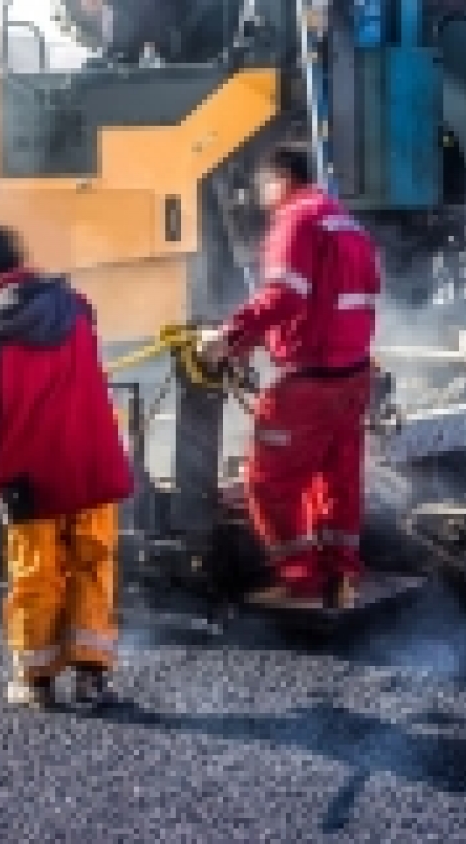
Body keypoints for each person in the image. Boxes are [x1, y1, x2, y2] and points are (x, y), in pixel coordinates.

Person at [0, 225, 134, 710]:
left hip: (31, 473)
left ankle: (36, 679)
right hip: (92, 460)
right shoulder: (74, 307)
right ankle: (93, 676)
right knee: (93, 562)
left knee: (36, 572)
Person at [199, 145, 381, 610]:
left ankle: (300, 580)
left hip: (309, 382)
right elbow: (335, 300)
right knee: (337, 479)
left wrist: (228, 335)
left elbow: (286, 296)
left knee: (269, 480)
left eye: (262, 184)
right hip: (352, 375)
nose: (260, 195)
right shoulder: (344, 221)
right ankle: (340, 577)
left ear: (280, 178)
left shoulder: (295, 220)